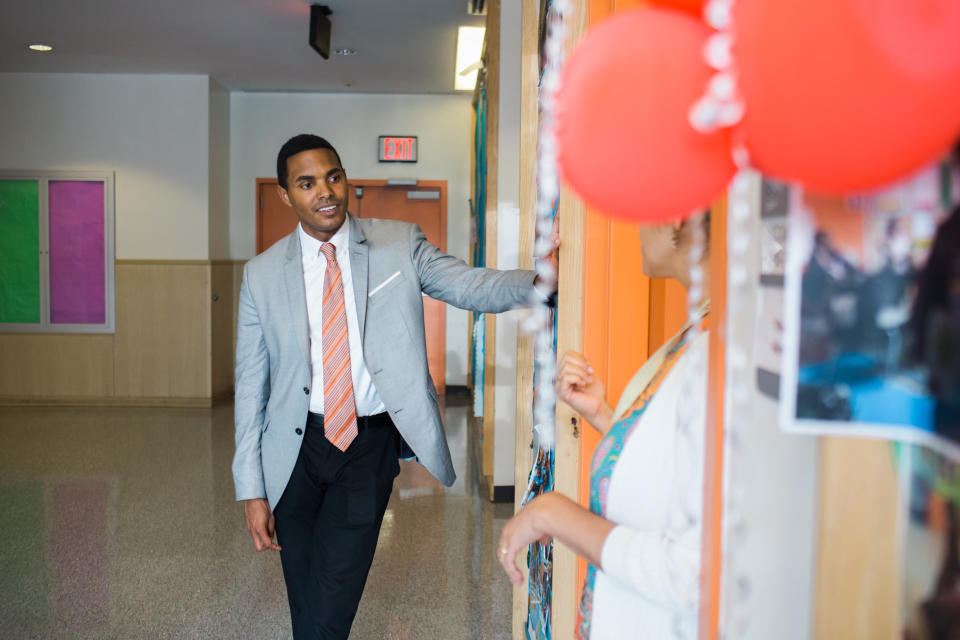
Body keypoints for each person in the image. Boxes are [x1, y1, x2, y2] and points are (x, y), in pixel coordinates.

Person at [233, 134, 553, 639]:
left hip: (367, 445)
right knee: (304, 590)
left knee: (334, 591)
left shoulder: (398, 243)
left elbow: (467, 285)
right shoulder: (261, 275)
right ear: (285, 195)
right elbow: (251, 387)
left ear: (346, 179)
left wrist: (538, 283)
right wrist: (251, 489)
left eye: (333, 177)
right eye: (307, 183)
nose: (325, 192)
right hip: (291, 453)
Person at [497, 213, 711, 639]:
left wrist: (555, 514)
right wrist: (603, 414)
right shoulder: (701, 329)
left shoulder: (721, 356)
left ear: (677, 221)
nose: (637, 225)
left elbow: (695, 573)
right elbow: (682, 478)